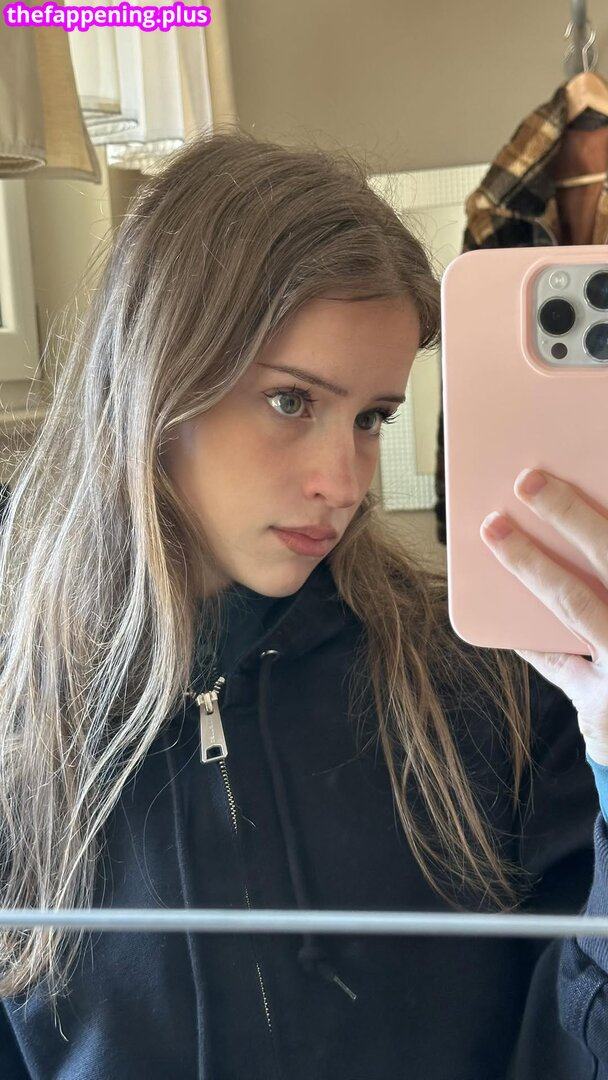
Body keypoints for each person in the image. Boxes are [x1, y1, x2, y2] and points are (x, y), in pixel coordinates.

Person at [0, 129, 607, 1080]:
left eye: (372, 418)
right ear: (157, 380)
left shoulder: (494, 686)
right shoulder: (22, 722)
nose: (346, 481)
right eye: (292, 402)